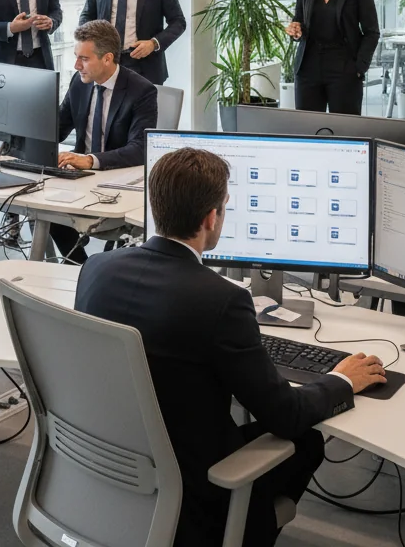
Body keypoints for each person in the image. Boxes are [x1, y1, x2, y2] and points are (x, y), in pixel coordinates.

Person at [75, 147, 386, 547]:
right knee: (306, 441)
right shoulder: (221, 300)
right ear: (211, 217)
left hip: (109, 468)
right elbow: (286, 417)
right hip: (192, 489)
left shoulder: (96, 269)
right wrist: (341, 380)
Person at [50, 21, 158, 263]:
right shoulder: (79, 82)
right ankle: (81, 268)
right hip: (78, 180)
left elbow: (141, 148)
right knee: (46, 214)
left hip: (117, 182)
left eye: (84, 59)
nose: (76, 65)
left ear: (107, 59)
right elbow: (57, 127)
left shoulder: (142, 91)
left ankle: (95, 272)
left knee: (114, 248)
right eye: (76, 57)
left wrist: (90, 160)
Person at [284, 0, 380, 115]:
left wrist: (358, 68)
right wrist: (294, 30)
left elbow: (372, 31)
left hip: (344, 69)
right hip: (308, 68)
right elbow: (299, 20)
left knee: (346, 132)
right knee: (308, 132)